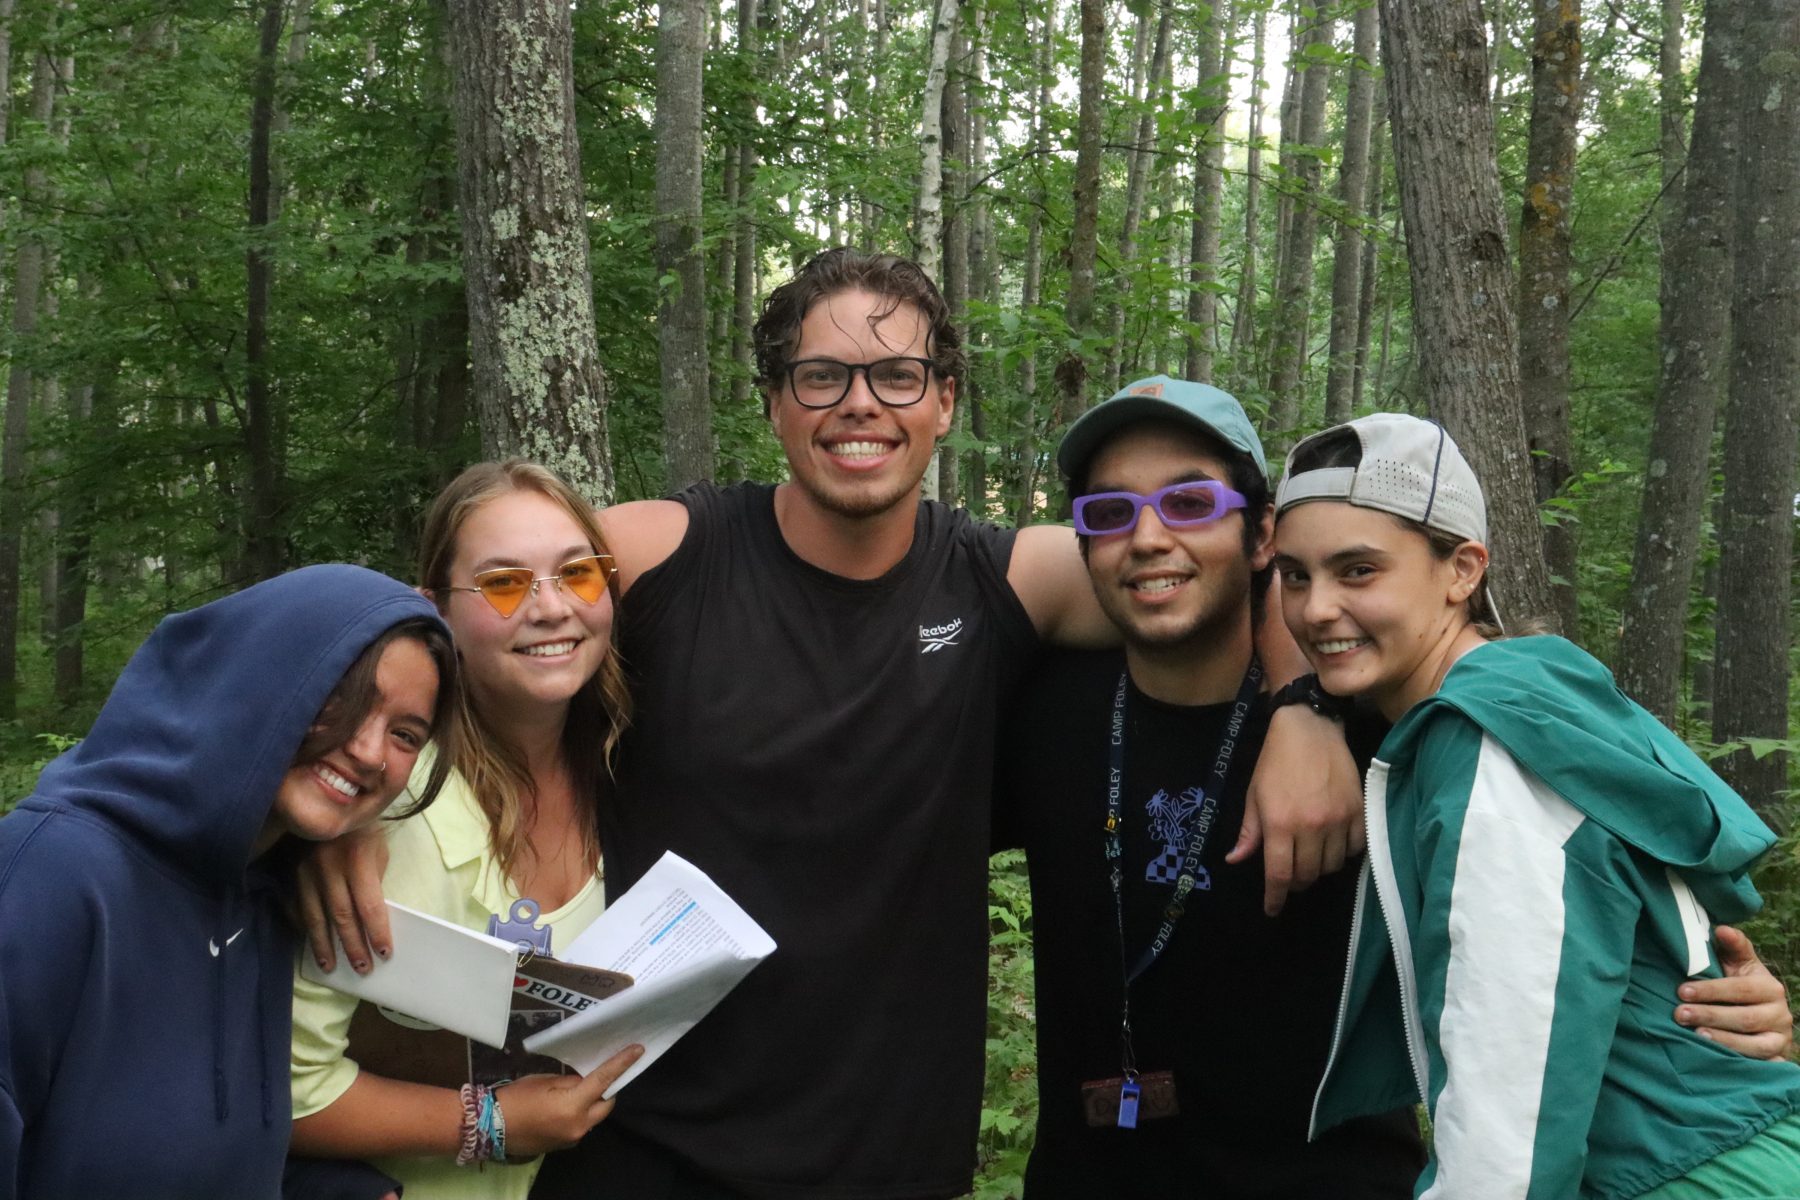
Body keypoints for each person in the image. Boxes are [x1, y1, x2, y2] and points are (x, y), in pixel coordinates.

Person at [305, 250, 1364, 1199]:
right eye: (822, 377)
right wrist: (360, 799)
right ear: (774, 404)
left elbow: (1210, 567)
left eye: (897, 375)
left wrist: (1304, 710)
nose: (860, 405)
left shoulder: (1005, 578)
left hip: (891, 1159)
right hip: (644, 1145)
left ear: (944, 401)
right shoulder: (665, 554)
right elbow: (471, 613)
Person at [999, 383, 1793, 1198]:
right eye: (1109, 513)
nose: (1150, 536)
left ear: (1256, 531)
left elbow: (1511, 1108)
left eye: (1191, 500)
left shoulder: (1423, 739)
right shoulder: (1037, 710)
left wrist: (1712, 996)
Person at [1275, 413, 1800, 1198]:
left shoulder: (1488, 745)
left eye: (1357, 572)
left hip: (1682, 1174)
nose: (1315, 609)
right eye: (1294, 575)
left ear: (1461, 570)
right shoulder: (1536, 696)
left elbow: (1510, 1108)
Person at [0, 564, 457, 1200]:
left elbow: (193, 1150)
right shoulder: (52, 876)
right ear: (263, 679)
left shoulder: (266, 898)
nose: (371, 752)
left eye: (406, 734)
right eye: (347, 701)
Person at [287, 461, 645, 1200]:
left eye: (577, 573)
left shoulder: (634, 770)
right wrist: (491, 1122)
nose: (550, 608)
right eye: (505, 584)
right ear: (436, 612)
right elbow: (286, 1090)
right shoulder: (383, 803)